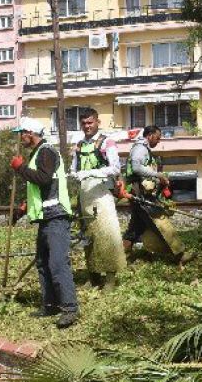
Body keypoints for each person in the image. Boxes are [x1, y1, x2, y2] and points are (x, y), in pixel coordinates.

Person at [10, 117, 79, 328]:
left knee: (57, 263)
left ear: (30, 132)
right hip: (45, 217)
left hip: (56, 216)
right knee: (43, 262)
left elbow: (44, 179)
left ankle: (69, 308)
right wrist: (25, 206)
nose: (20, 137)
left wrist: (21, 168)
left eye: (21, 133)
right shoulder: (37, 153)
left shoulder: (47, 151)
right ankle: (50, 304)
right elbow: (39, 188)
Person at [69, 108, 126, 289]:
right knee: (89, 237)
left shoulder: (107, 142)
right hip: (85, 195)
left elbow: (115, 168)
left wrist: (89, 173)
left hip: (102, 194)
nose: (87, 126)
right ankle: (93, 277)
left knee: (108, 235)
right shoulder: (78, 145)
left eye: (90, 122)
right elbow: (74, 168)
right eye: (84, 123)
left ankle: (110, 279)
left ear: (97, 122)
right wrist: (73, 174)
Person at [122, 125, 189, 263]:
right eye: (157, 138)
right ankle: (180, 255)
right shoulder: (140, 148)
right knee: (160, 222)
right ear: (150, 135)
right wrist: (158, 175)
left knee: (135, 228)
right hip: (140, 195)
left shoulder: (143, 148)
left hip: (138, 194)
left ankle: (123, 258)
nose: (158, 142)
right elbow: (136, 168)